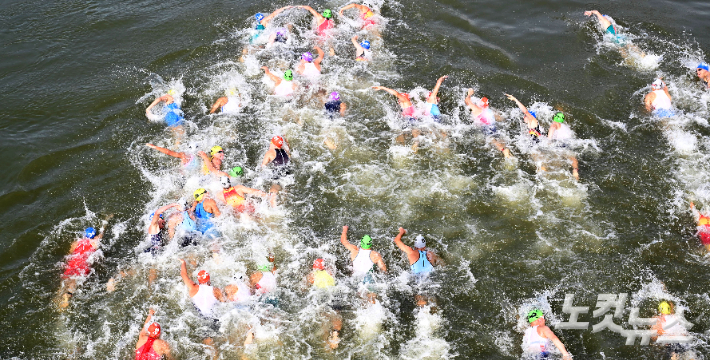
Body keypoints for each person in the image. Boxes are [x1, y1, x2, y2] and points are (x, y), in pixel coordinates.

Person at [179, 259, 225, 358]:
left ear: (198, 280)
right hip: (214, 317)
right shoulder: (216, 290)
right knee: (216, 338)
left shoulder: (193, 287)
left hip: (201, 318)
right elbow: (224, 303)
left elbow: (183, 275)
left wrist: (183, 263)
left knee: (207, 341)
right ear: (209, 280)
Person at [59, 226, 105, 309]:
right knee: (75, 280)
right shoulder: (95, 242)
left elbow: (70, 253)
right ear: (94, 235)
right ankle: (69, 294)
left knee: (65, 281)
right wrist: (104, 227)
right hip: (83, 265)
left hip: (72, 264)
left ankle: (57, 297)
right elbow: (101, 234)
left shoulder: (76, 242)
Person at [306, 258, 342, 349]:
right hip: (333, 292)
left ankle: (326, 341)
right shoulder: (330, 271)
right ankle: (335, 332)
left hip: (322, 294)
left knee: (324, 317)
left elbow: (305, 286)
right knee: (336, 313)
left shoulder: (312, 275)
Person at [466, 89, 512, 158]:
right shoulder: (491, 111)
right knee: (498, 138)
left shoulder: (477, 109)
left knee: (492, 140)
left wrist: (469, 94)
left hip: (486, 127)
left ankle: (503, 151)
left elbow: (467, 101)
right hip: (493, 126)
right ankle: (507, 151)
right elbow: (501, 118)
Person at [546, 112, 580, 180]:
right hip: (568, 143)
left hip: (559, 144)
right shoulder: (565, 126)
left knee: (557, 161)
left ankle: (556, 176)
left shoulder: (554, 123)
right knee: (572, 158)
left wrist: (548, 141)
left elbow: (552, 127)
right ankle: (575, 170)